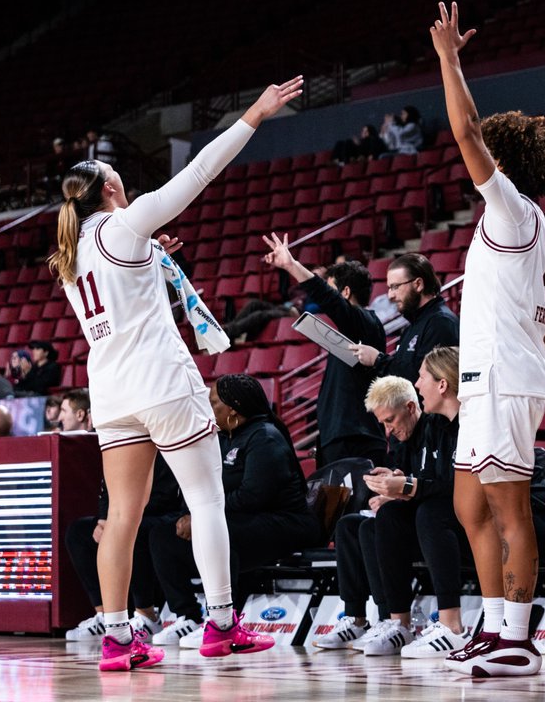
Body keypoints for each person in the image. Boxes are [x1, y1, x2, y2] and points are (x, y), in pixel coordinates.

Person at [46, 76, 301, 671]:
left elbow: (125, 290)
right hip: (160, 380)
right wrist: (254, 114)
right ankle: (220, 624)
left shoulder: (70, 252)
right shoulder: (124, 223)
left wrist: (153, 260)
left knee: (123, 519)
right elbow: (199, 174)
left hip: (111, 392)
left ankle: (115, 638)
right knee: (207, 500)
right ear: (111, 187)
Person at [432, 1, 545, 677]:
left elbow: (466, 132)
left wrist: (450, 60)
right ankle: (491, 622)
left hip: (506, 376)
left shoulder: (511, 209)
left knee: (509, 508)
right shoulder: (523, 225)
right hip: (494, 372)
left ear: (503, 161)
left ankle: (518, 636)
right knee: (468, 503)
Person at [150, 375, 321, 648]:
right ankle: (188, 617)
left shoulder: (265, 436)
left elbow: (255, 495)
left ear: (233, 407)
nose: (209, 407)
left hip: (285, 523)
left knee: (223, 533)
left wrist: (203, 516)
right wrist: (194, 514)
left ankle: (222, 620)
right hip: (244, 518)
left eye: (214, 402)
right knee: (162, 535)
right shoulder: (221, 438)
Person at [316, 367, 463, 657]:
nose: (387, 430)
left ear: (411, 407)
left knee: (391, 518)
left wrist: (404, 488)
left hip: (444, 517)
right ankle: (365, 620)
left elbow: (447, 485)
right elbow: (410, 478)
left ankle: (409, 622)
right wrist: (391, 482)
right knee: (350, 525)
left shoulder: (438, 426)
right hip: (419, 512)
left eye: (391, 420)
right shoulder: (399, 437)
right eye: (382, 423)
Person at [262, 238, 389, 466]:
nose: (327, 298)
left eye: (332, 289)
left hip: (355, 439)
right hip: (344, 437)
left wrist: (292, 265)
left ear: (346, 292)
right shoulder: (355, 328)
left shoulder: (365, 322)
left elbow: (329, 299)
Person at [64, 454, 180, 642]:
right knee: (78, 532)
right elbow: (108, 485)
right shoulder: (118, 443)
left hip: (163, 514)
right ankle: (104, 615)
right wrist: (104, 519)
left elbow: (163, 495)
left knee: (130, 531)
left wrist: (121, 521)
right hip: (124, 515)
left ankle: (147, 616)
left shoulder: (159, 445)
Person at [348, 253, 459, 385]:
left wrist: (377, 360)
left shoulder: (440, 323)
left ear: (418, 284)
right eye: (389, 288)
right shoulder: (413, 324)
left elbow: (424, 381)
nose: (390, 296)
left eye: (395, 287)